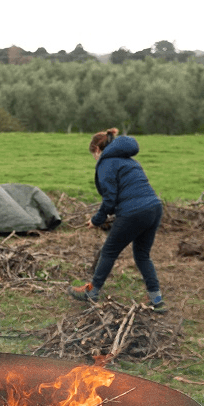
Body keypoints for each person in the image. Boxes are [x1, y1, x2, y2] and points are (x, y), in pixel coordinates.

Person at [68, 129, 167, 311]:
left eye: (93, 154)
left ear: (97, 149)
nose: (94, 158)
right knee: (142, 255)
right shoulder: (130, 161)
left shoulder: (106, 163)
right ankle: (157, 299)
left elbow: (109, 199)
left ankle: (92, 291)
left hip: (134, 212)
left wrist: (96, 220)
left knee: (109, 252)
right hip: (154, 208)